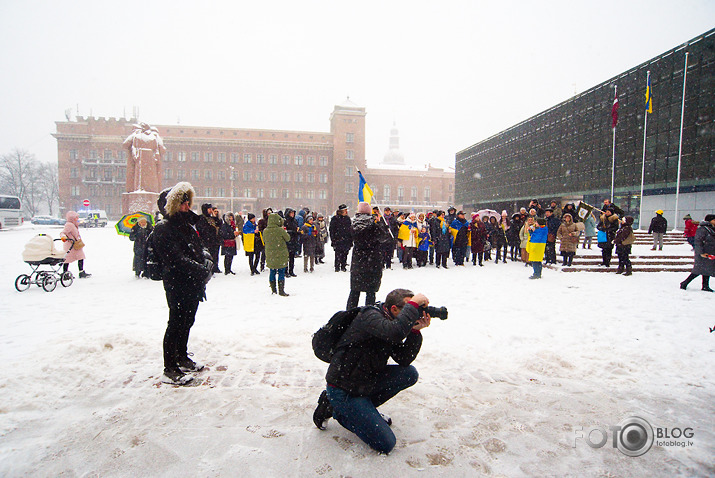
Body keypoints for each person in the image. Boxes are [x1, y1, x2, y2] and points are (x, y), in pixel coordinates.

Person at [314, 288, 431, 454]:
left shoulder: (392, 322)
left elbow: (404, 358)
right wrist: (413, 305)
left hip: (366, 381)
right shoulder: (371, 316)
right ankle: (337, 410)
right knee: (386, 443)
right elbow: (394, 332)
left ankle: (363, 411)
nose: (413, 313)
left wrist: (414, 331)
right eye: (409, 309)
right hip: (343, 388)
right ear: (394, 309)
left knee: (409, 374)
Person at [152, 182, 213, 385]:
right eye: (183, 203)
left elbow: (200, 246)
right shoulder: (164, 229)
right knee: (176, 324)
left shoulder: (186, 225)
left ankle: (181, 356)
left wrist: (206, 258)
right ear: (172, 205)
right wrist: (201, 269)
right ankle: (170, 368)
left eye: (188, 202)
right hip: (177, 283)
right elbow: (175, 259)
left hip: (192, 284)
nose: (188, 207)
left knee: (187, 321)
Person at [346, 202, 392, 309]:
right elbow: (385, 237)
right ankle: (369, 315)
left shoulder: (353, 225)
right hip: (372, 262)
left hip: (358, 262)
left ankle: (349, 315)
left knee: (354, 292)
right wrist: (381, 223)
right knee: (370, 293)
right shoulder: (373, 226)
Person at [679, 214, 715, 292]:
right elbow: (698, 242)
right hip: (703, 253)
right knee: (698, 270)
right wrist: (701, 252)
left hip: (710, 252)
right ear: (709, 220)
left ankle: (705, 286)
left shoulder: (711, 229)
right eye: (714, 220)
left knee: (707, 269)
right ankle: (685, 283)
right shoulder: (702, 229)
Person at [262, 212, 291, 296]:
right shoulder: (280, 230)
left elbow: (264, 240)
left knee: (272, 271)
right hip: (280, 253)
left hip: (270, 254)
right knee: (281, 271)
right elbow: (288, 238)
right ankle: (281, 290)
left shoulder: (265, 231)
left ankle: (273, 290)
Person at [60, 211, 91, 278]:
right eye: (76, 217)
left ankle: (79, 272)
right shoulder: (69, 225)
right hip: (70, 245)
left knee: (80, 257)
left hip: (75, 244)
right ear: (72, 218)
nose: (77, 219)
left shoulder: (73, 224)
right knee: (67, 259)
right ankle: (66, 274)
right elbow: (63, 232)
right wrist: (63, 237)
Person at [196, 203, 222, 273]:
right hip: (206, 241)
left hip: (214, 241)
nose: (211, 211)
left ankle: (215, 267)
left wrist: (215, 217)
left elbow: (219, 224)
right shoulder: (201, 218)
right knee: (208, 256)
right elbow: (202, 229)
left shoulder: (212, 218)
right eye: (209, 209)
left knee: (215, 255)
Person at [329, 204, 353, 272]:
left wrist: (350, 240)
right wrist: (333, 240)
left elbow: (350, 230)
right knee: (338, 254)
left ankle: (343, 266)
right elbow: (332, 230)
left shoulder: (347, 219)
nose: (346, 211)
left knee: (345, 254)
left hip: (346, 240)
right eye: (345, 210)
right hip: (338, 240)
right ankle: (337, 267)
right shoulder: (335, 219)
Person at [284, 208, 301, 277]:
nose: (292, 214)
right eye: (291, 213)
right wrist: (292, 231)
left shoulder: (294, 221)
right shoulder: (285, 221)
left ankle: (291, 270)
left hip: (294, 240)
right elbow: (285, 231)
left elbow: (296, 228)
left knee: (292, 257)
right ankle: (285, 271)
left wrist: (298, 232)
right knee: (286, 257)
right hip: (288, 241)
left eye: (293, 213)